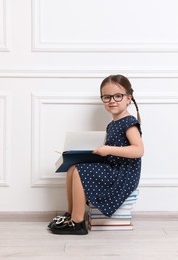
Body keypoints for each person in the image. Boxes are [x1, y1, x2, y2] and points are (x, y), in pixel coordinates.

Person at [49, 74, 144, 235]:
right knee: (73, 168)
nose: (112, 100)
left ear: (129, 98)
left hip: (123, 174)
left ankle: (78, 222)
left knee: (80, 171)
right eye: (106, 97)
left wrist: (108, 149)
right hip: (114, 168)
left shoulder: (129, 122)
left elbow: (138, 150)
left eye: (118, 96)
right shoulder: (112, 124)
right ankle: (71, 214)